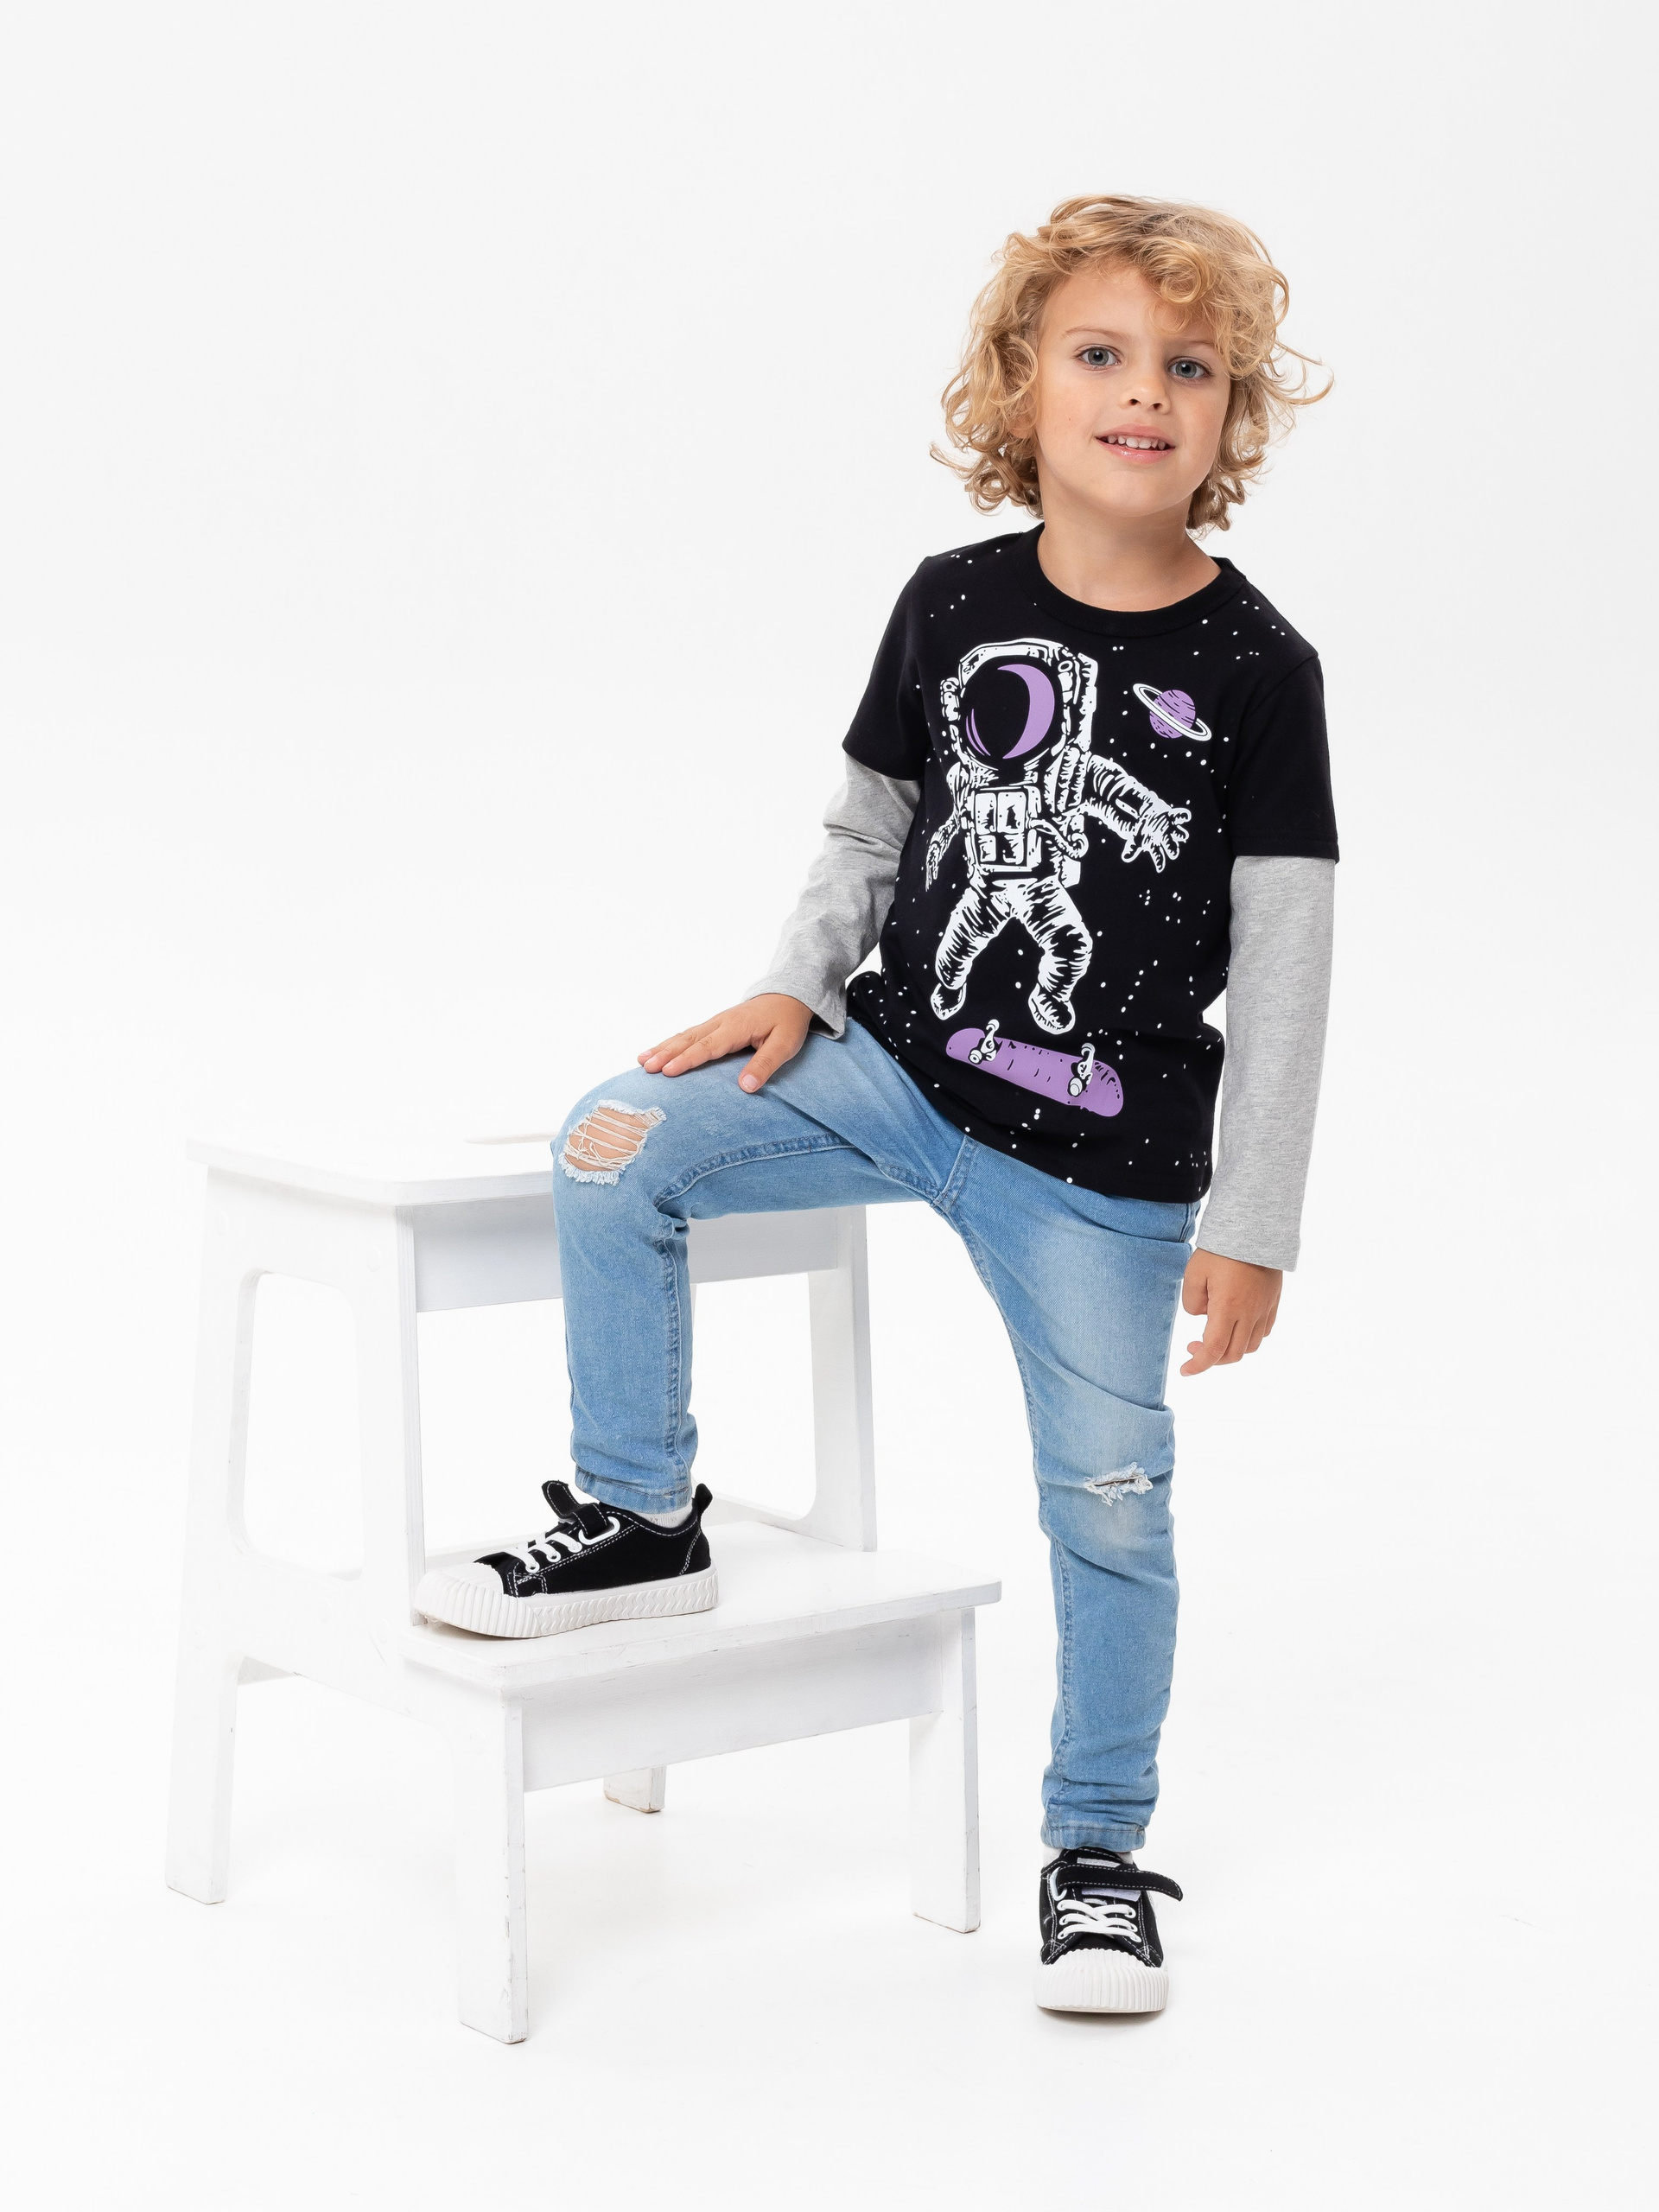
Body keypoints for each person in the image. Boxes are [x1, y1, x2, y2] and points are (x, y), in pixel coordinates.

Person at [415, 195, 1338, 2015]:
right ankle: (639, 1514)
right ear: (1020, 384)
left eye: (1190, 366)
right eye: (1100, 353)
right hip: (893, 1072)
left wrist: (1255, 1219)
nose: (1143, 393)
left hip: (1103, 1160)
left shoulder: (1260, 668)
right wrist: (795, 981)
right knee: (613, 1138)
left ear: (1234, 414)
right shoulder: (951, 603)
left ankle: (1096, 1850)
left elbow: (1289, 959)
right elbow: (870, 826)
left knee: (1113, 1502)